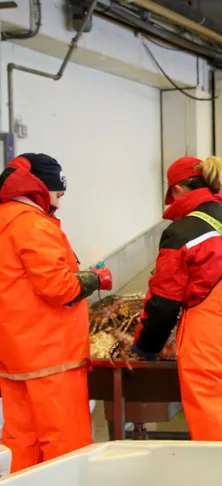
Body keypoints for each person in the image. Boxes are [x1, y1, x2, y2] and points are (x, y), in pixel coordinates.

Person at [129, 155, 222, 442]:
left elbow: (164, 300)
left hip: (211, 349)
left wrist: (147, 346)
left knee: (217, 446)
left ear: (178, 190)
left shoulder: (182, 232)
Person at [0, 153, 112, 472]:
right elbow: (57, 288)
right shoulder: (32, 223)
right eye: (58, 195)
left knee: (20, 444)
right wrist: (95, 278)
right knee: (66, 447)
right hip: (52, 358)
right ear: (40, 188)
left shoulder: (3, 219)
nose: (59, 205)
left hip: (13, 358)